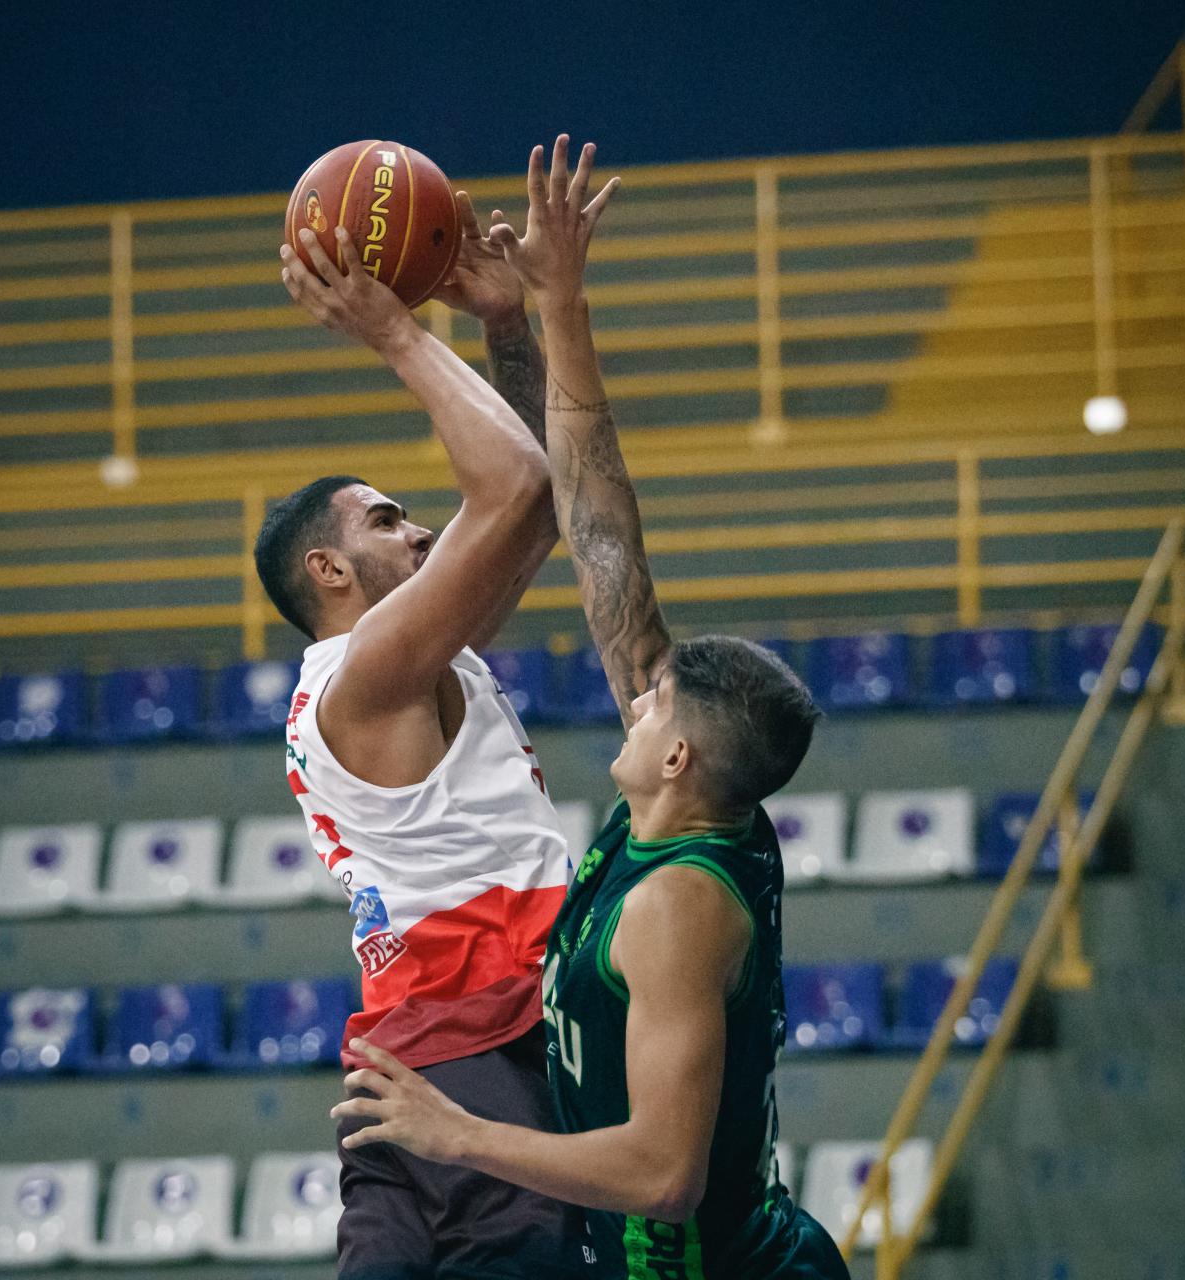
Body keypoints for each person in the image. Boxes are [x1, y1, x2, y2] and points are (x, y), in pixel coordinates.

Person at [331, 137, 851, 1280]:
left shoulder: (674, 905)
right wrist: (547, 312)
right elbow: (599, 527)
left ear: (671, 753)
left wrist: (452, 1130)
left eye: (652, 691)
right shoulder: (692, 801)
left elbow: (663, 1174)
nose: (633, 676)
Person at [257, 185, 616, 1278]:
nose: (417, 527)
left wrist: (506, 324)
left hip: (413, 1050)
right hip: (480, 1041)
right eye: (384, 519)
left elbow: (537, 506)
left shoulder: (410, 662)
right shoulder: (371, 673)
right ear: (327, 571)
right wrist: (397, 330)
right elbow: (506, 485)